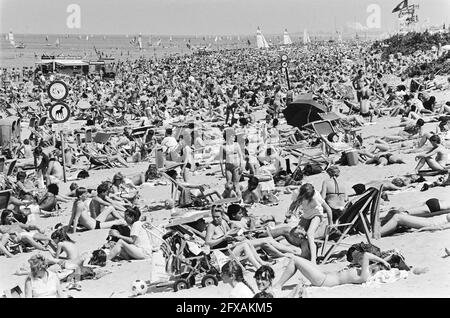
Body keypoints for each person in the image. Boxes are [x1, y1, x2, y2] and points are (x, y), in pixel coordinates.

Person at [273, 243, 391, 290]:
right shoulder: (361, 270)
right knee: (298, 259)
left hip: (323, 280)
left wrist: (383, 262)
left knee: (294, 259)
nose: (359, 260)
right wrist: (385, 260)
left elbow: (366, 255)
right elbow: (369, 258)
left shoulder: (364, 276)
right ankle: (278, 285)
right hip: (323, 274)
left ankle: (278, 286)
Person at [286, 183, 333, 264]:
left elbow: (328, 209)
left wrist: (331, 223)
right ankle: (306, 252)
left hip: (316, 215)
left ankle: (313, 260)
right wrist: (290, 212)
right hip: (306, 216)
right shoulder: (297, 193)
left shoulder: (316, 195)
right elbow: (293, 204)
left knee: (309, 234)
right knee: (296, 233)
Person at [220, 130, 244, 197]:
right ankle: (230, 198)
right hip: (228, 167)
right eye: (232, 136)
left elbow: (241, 156)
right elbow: (221, 160)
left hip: (236, 167)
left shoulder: (236, 145)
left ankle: (239, 198)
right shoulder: (223, 146)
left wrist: (242, 166)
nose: (234, 137)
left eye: (234, 135)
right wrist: (222, 170)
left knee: (236, 184)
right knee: (229, 185)